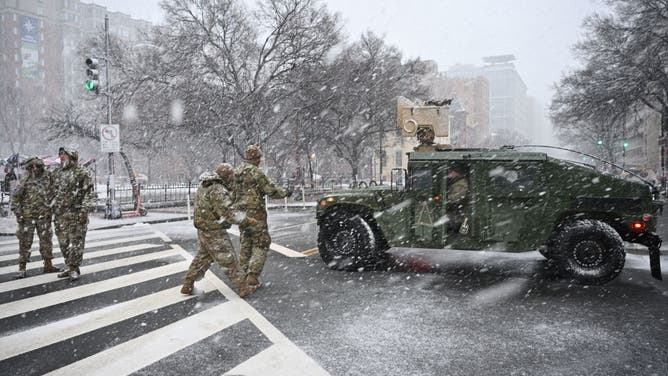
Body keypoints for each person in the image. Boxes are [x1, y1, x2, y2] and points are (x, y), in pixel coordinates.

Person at [180, 164, 255, 295]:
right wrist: (246, 220)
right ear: (227, 176)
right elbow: (227, 211)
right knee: (228, 258)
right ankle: (243, 287)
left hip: (204, 228)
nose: (233, 178)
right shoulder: (217, 189)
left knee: (203, 258)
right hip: (214, 230)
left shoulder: (204, 186)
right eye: (231, 175)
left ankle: (188, 283)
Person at [234, 145, 289, 297]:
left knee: (246, 243)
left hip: (240, 213)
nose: (260, 161)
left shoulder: (236, 171)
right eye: (259, 158)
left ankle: (242, 275)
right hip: (255, 213)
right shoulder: (256, 172)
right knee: (261, 243)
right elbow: (270, 191)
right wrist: (285, 192)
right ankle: (252, 277)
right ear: (256, 158)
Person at [10, 157, 61, 278]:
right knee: (25, 243)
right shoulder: (25, 179)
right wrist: (18, 213)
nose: (35, 169)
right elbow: (16, 198)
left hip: (44, 216)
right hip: (27, 217)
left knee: (46, 241)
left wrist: (52, 206)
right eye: (33, 167)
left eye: (38, 166)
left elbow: (56, 193)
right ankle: (22, 268)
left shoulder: (48, 177)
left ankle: (48, 264)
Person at [52, 147, 95, 281]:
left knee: (76, 243)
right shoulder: (57, 173)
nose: (61, 157)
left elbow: (89, 193)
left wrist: (84, 210)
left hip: (76, 214)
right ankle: (69, 266)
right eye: (60, 154)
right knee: (63, 243)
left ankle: (73, 268)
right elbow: (52, 192)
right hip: (60, 215)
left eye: (64, 154)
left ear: (72, 157)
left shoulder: (81, 172)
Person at [446, 164, 469, 234]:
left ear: (456, 173)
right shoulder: (456, 181)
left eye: (451, 172)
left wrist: (446, 198)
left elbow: (457, 196)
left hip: (458, 208)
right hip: (456, 208)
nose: (449, 174)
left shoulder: (461, 183)